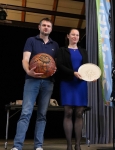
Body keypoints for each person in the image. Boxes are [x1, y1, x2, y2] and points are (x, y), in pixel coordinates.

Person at [11, 18, 59, 150]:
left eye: (48, 26)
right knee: (26, 112)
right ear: (39, 27)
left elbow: (54, 64)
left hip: (48, 82)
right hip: (31, 80)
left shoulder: (55, 45)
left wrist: (54, 69)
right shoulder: (31, 40)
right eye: (43, 25)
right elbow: (25, 59)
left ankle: (38, 146)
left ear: (51, 29)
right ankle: (17, 146)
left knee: (42, 115)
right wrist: (28, 71)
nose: (46, 27)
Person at [56, 28, 88, 150]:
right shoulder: (62, 50)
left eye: (77, 35)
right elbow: (60, 65)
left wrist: (91, 76)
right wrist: (73, 73)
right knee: (68, 112)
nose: (75, 37)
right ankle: (69, 145)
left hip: (81, 84)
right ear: (68, 36)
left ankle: (78, 144)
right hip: (67, 83)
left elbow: (87, 67)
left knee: (79, 113)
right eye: (73, 34)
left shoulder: (83, 51)